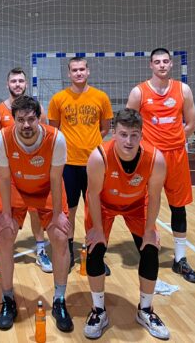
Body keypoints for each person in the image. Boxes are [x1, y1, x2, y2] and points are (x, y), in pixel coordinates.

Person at [82, 108, 169, 340]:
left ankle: (146, 310)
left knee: (150, 248)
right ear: (114, 133)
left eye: (133, 135)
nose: (128, 141)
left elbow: (155, 196)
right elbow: (92, 194)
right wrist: (97, 229)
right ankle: (98, 310)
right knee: (95, 249)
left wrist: (149, 230)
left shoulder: (156, 159)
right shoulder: (99, 157)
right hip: (103, 205)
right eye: (123, 134)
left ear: (141, 135)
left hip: (137, 205)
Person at [0, 95, 73, 332]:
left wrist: (58, 216)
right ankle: (8, 299)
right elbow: (4, 179)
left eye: (30, 119)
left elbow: (56, 179)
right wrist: (6, 215)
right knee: (4, 235)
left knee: (60, 236)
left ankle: (59, 300)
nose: (26, 125)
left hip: (46, 188)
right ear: (14, 120)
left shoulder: (56, 138)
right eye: (20, 120)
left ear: (39, 118)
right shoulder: (2, 139)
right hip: (16, 187)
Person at [126, 47, 195, 284]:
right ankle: (148, 254)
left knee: (178, 207)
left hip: (176, 157)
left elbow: (191, 123)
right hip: (150, 158)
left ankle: (180, 259)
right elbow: (128, 125)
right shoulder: (139, 92)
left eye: (165, 61)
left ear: (171, 64)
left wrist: (176, 141)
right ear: (150, 65)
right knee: (147, 206)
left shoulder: (183, 90)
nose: (161, 65)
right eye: (157, 62)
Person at [48, 57, 113, 270]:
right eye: (74, 70)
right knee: (69, 210)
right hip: (68, 163)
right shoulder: (58, 99)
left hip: (94, 164)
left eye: (82, 69)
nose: (78, 73)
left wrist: (92, 145)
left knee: (95, 210)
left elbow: (105, 128)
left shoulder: (101, 97)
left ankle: (95, 255)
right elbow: (54, 131)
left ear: (88, 71)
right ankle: (67, 254)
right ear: (69, 73)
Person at [0, 67, 51, 273]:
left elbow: (45, 139)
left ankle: (41, 251)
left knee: (36, 212)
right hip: (10, 176)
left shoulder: (38, 109)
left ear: (26, 84)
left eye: (21, 81)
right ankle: (5, 254)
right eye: (13, 81)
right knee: (6, 214)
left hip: (34, 173)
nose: (17, 84)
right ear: (7, 84)